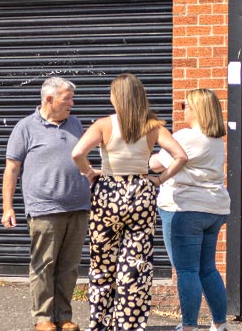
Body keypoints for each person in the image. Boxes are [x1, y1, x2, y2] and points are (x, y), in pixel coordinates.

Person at [71, 74, 184, 331]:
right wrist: (160, 179)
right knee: (136, 263)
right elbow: (180, 155)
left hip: (108, 192)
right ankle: (128, 325)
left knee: (102, 263)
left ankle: (99, 323)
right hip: (141, 192)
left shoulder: (103, 125)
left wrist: (88, 172)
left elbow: (77, 152)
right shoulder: (152, 126)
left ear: (117, 97)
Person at [3, 75, 90, 331]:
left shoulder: (75, 123)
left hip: (78, 207)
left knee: (69, 266)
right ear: (49, 99)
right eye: (67, 99)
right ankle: (43, 318)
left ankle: (63, 316)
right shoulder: (25, 127)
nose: (72, 103)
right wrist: (8, 206)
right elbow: (12, 168)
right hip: (44, 208)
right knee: (44, 264)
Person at [156, 89, 231, 331]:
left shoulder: (187, 137)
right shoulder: (216, 140)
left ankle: (188, 326)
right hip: (214, 208)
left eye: (184, 105)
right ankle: (220, 324)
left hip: (185, 208)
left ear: (196, 109)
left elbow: (157, 164)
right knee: (207, 268)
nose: (182, 109)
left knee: (186, 269)